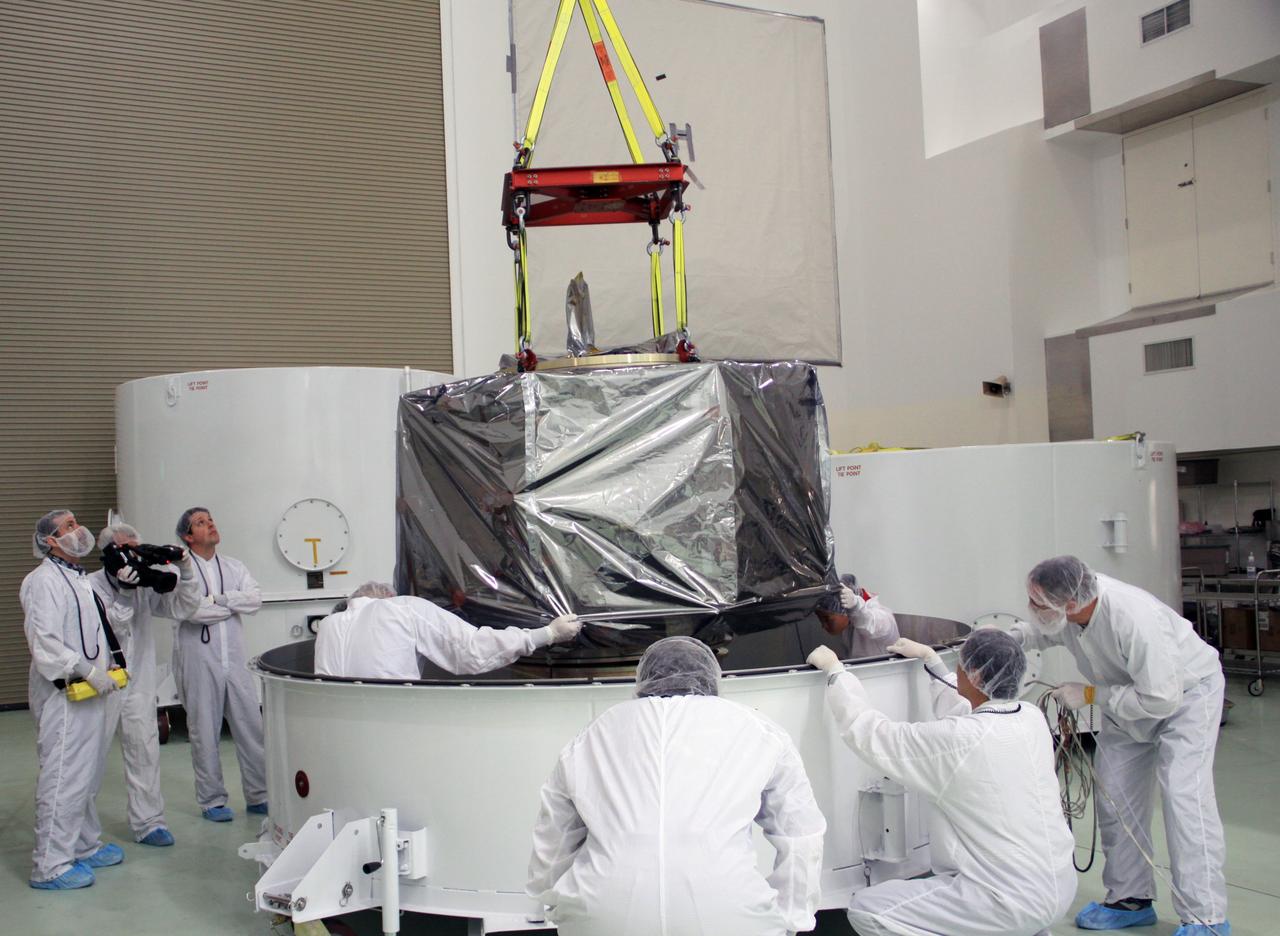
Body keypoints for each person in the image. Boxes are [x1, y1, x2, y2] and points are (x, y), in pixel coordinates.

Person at [527, 636, 827, 936]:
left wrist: (556, 903)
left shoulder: (592, 735)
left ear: (643, 678)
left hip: (603, 915)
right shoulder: (760, 730)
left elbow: (554, 836)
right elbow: (801, 834)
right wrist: (791, 916)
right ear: (711, 676)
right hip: (728, 914)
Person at [808, 628, 1075, 936]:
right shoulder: (1030, 718)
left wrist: (836, 674)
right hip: (1058, 888)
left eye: (960, 663)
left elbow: (872, 734)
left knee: (867, 908)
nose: (957, 668)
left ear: (973, 674)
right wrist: (932, 663)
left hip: (1004, 900)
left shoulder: (960, 742)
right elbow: (968, 713)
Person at [1018, 556, 1229, 936]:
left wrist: (1089, 693)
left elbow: (1162, 699)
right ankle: (1130, 899)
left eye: (1038, 604)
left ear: (1070, 603)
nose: (1033, 609)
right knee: (1115, 795)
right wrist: (989, 640)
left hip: (1186, 697)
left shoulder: (1132, 617)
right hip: (1124, 697)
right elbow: (1036, 634)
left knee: (1184, 797)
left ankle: (1206, 916)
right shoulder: (1071, 614)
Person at [21, 510, 127, 889]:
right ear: (50, 540)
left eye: (76, 523)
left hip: (92, 691)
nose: (77, 530)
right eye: (67, 527)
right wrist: (86, 670)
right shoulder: (42, 582)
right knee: (64, 775)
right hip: (64, 694)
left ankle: (83, 845)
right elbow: (45, 643)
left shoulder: (81, 581)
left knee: (87, 774)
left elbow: (106, 625)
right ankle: (50, 864)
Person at [88, 520, 201, 847]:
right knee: (90, 759)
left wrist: (186, 569)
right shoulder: (90, 587)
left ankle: (149, 822)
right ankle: (82, 834)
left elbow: (185, 606)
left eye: (134, 550)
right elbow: (111, 631)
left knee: (144, 751)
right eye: (123, 550)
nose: (130, 558)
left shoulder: (143, 587)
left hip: (138, 683)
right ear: (107, 552)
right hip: (101, 684)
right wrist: (123, 593)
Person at [174, 507, 267, 822]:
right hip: (200, 662)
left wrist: (218, 600)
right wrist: (231, 603)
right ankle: (212, 800)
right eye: (201, 522)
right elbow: (191, 612)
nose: (210, 524)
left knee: (251, 728)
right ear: (188, 536)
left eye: (211, 519)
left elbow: (255, 600)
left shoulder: (234, 566)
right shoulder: (178, 571)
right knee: (204, 731)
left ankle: (259, 795)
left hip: (235, 661)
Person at [314, 581, 583, 679]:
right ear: (388, 596)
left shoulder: (328, 627)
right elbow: (471, 649)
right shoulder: (400, 608)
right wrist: (547, 634)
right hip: (393, 724)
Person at [814, 573, 900, 658]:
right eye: (820, 619)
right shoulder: (849, 623)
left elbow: (872, 624)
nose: (823, 625)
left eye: (826, 619)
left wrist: (856, 606)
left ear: (844, 609)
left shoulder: (879, 614)